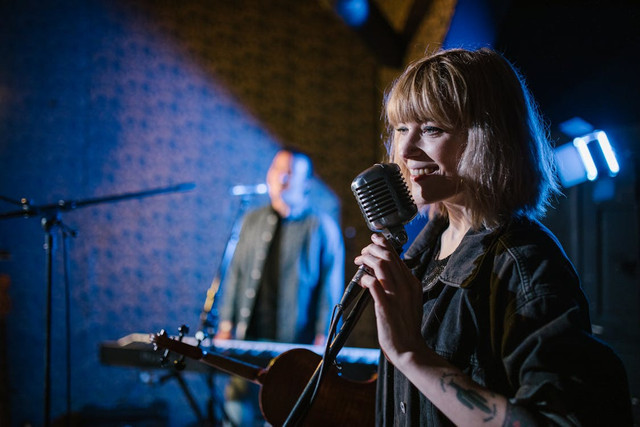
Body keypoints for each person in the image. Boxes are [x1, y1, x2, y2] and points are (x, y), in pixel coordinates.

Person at [354, 48, 633, 426]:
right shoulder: (421, 255)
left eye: (432, 129)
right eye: (402, 128)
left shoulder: (526, 265)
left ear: (488, 137)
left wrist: (412, 355)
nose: (404, 149)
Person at [216, 148, 345, 425]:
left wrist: (326, 336)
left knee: (281, 414)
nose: (281, 178)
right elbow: (235, 275)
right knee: (236, 413)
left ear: (306, 183)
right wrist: (226, 322)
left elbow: (331, 290)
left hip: (293, 348)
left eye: (290, 173)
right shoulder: (251, 220)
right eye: (277, 170)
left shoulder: (321, 226)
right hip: (246, 341)